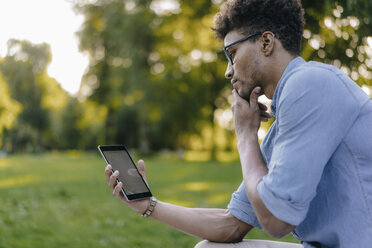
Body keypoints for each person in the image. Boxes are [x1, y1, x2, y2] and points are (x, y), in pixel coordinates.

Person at [105, 0, 372, 247]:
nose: (228, 70)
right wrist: (148, 206)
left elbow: (277, 220)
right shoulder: (286, 122)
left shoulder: (309, 83)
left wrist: (245, 136)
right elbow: (231, 224)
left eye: (232, 53)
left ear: (266, 42)